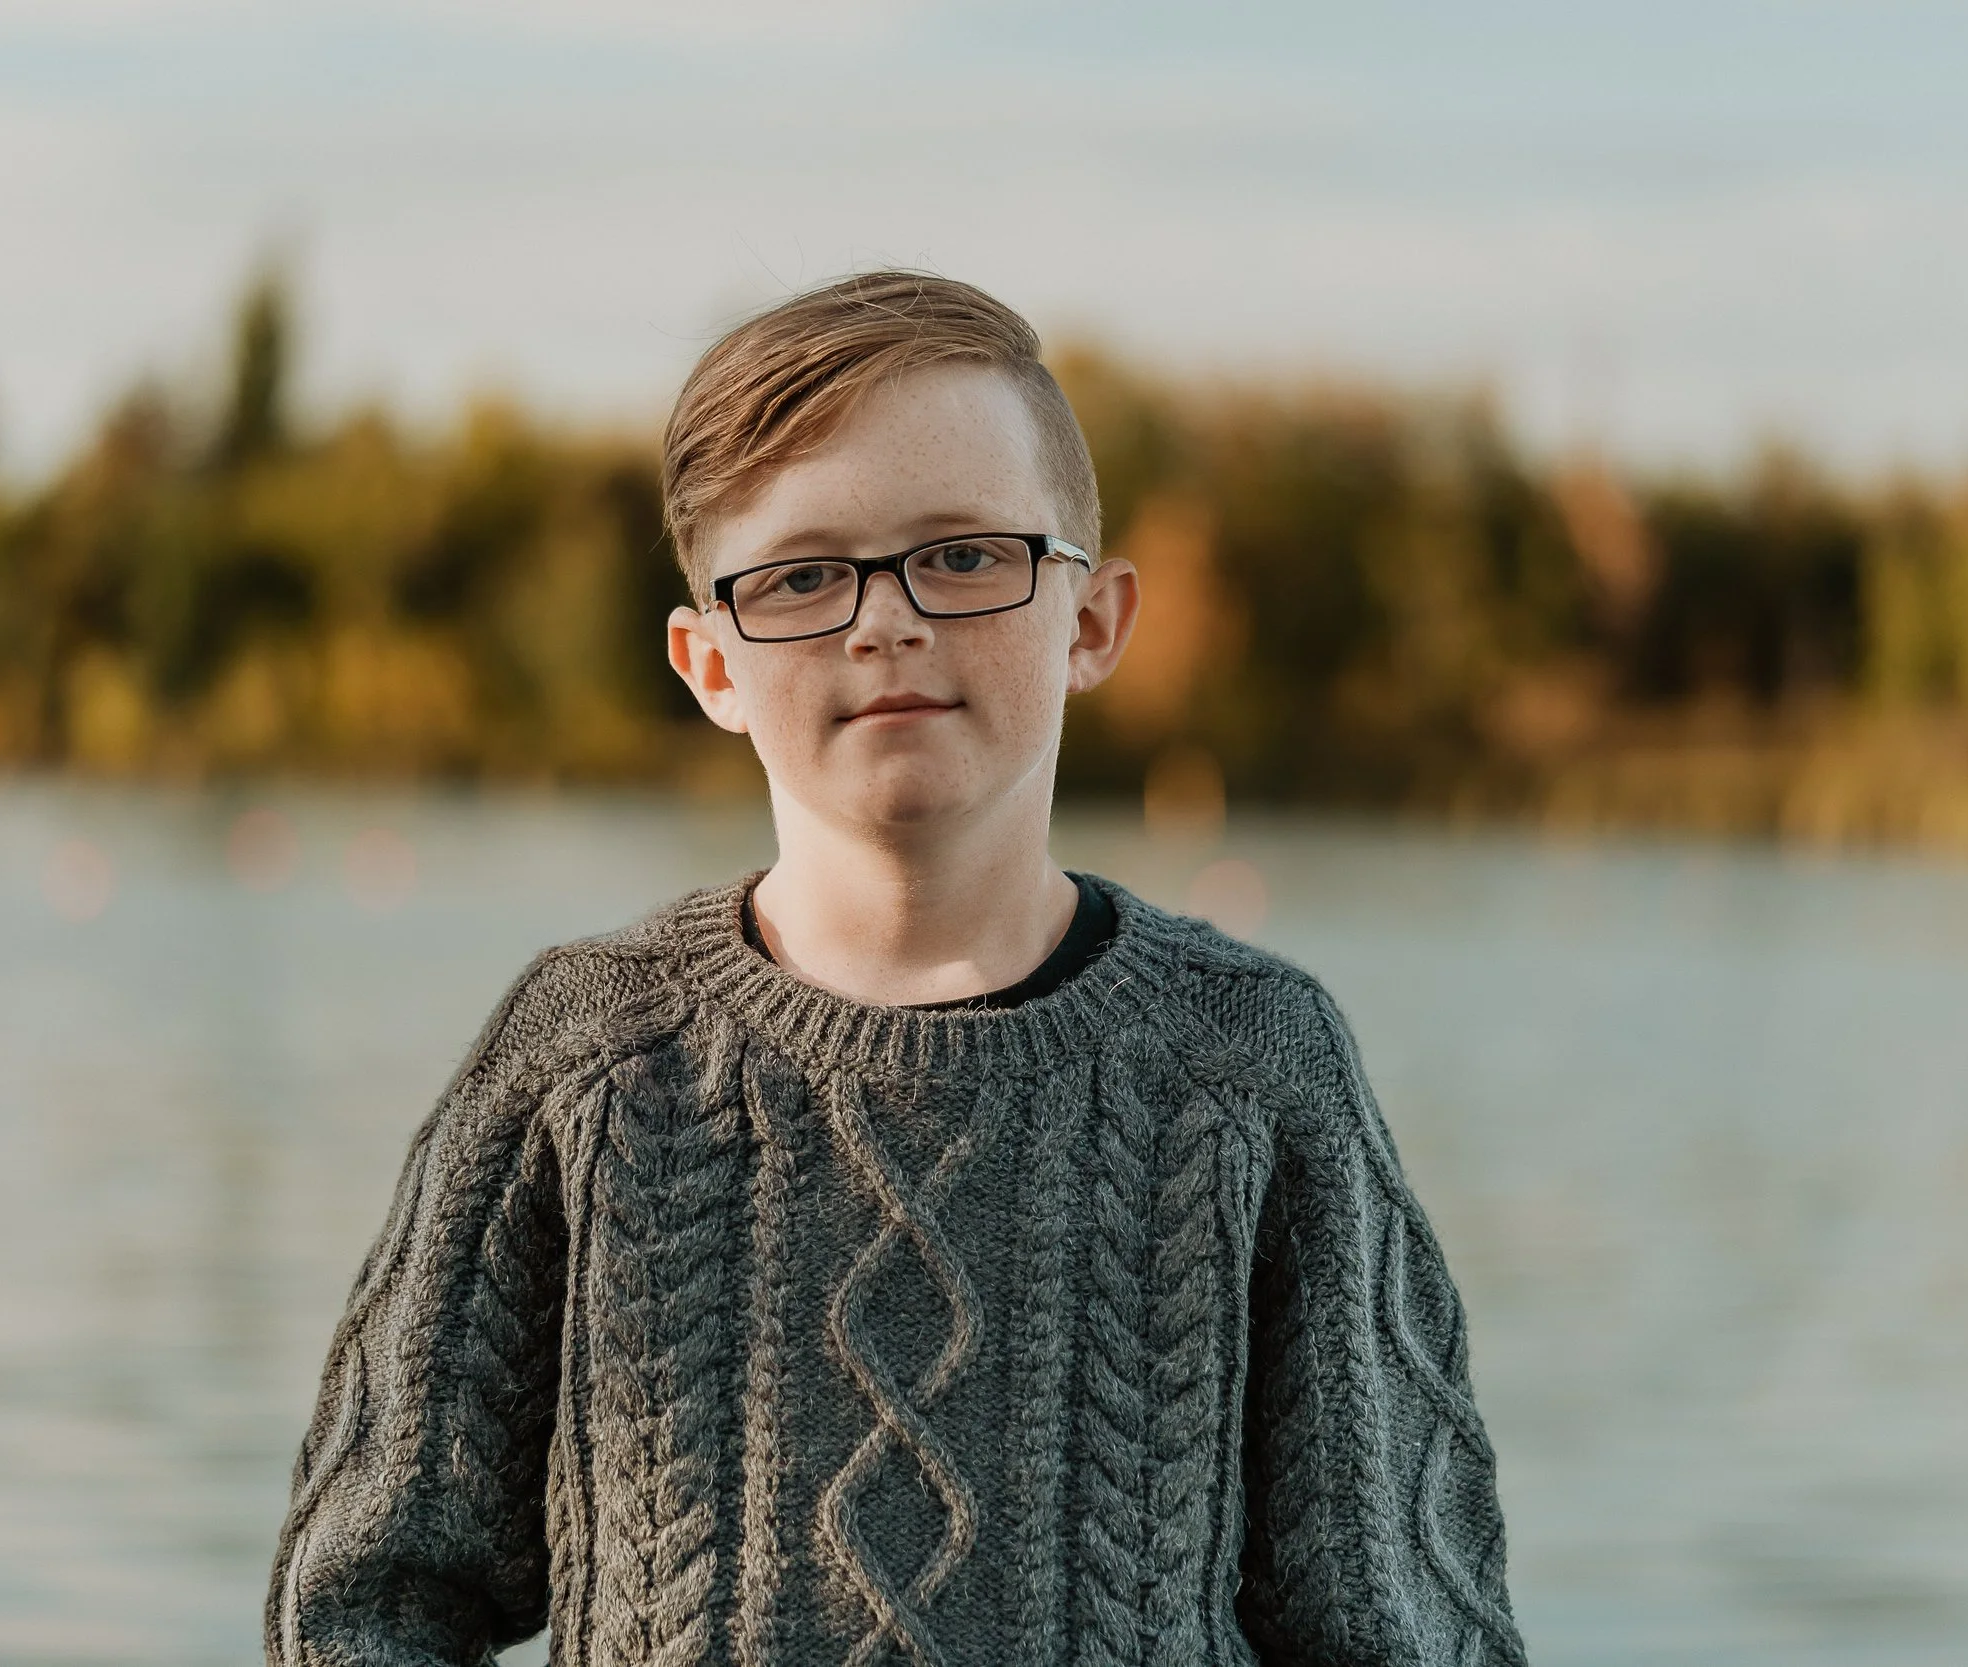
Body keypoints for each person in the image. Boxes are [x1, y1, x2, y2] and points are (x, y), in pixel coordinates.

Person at [262, 272, 1525, 1667]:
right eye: (803, 575)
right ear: (709, 661)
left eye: (966, 554)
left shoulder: (1252, 1063)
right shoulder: (587, 1061)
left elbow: (1403, 1626)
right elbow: (364, 1600)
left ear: (1092, 619)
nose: (885, 620)